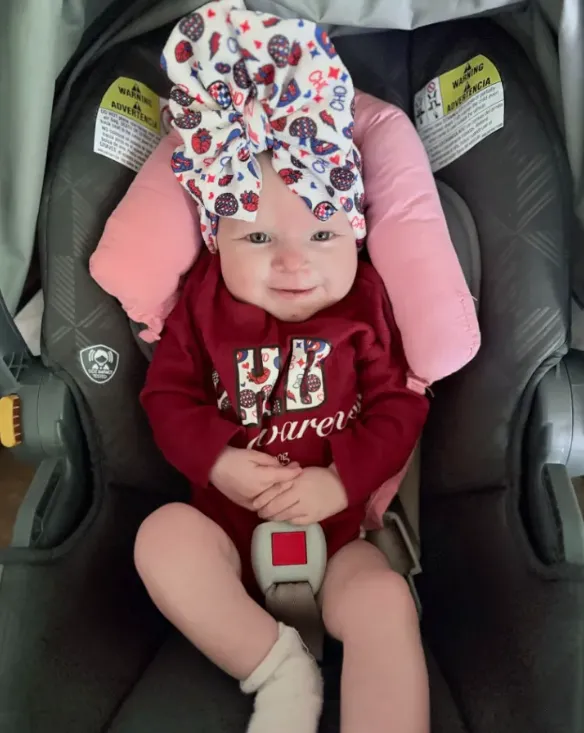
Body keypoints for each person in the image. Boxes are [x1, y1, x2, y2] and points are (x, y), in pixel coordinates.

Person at [134, 2, 430, 731]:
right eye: (259, 237)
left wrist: (341, 482)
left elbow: (399, 409)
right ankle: (277, 671)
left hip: (342, 537)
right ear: (217, 242)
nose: (294, 263)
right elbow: (166, 398)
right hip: (225, 537)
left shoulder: (365, 303)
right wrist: (218, 462)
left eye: (322, 234)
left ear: (355, 235)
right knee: (161, 538)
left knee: (384, 601)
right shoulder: (203, 303)